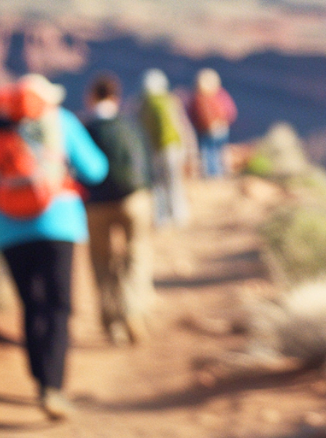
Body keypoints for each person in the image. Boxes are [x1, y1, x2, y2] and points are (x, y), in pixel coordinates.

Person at [0, 73, 107, 421]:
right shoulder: (61, 122)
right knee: (58, 306)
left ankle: (39, 378)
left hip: (8, 231)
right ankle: (52, 388)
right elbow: (96, 169)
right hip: (59, 223)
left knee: (31, 304)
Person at [81, 72, 153, 346]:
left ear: (92, 97)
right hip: (134, 200)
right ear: (116, 97)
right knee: (136, 257)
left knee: (102, 262)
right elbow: (146, 161)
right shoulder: (131, 125)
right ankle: (133, 311)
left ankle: (112, 323)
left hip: (95, 205)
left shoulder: (86, 128)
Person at [138, 68, 195, 228]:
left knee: (158, 184)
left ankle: (162, 218)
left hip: (154, 149)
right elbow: (183, 126)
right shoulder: (170, 100)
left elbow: (140, 129)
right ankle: (179, 215)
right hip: (174, 147)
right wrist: (190, 151)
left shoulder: (143, 104)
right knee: (174, 182)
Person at [190, 68, 237, 178]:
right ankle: (220, 175)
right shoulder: (220, 95)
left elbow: (193, 115)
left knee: (209, 153)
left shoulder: (200, 98)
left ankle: (213, 176)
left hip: (209, 130)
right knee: (218, 152)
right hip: (220, 128)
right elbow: (231, 111)